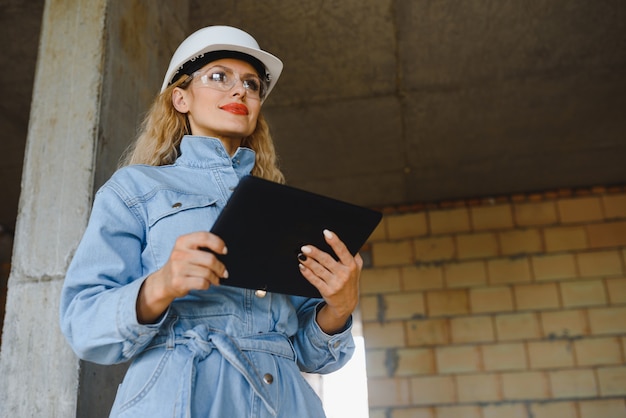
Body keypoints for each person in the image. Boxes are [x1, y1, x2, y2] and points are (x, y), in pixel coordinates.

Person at [59, 25, 363, 417]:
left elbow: (313, 354)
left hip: (283, 401)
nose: (240, 91)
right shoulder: (135, 189)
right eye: (219, 77)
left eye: (252, 85)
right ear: (180, 98)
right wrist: (160, 285)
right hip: (177, 395)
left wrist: (339, 307)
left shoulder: (282, 208)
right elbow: (83, 325)